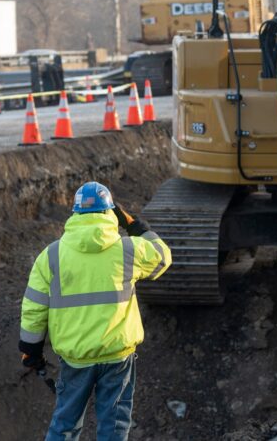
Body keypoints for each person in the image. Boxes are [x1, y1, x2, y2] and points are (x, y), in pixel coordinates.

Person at [18, 181, 172, 441]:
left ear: (75, 213)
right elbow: (163, 255)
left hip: (76, 358)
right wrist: (134, 224)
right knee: (113, 428)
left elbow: (34, 308)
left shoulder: (52, 255)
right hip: (117, 357)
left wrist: (31, 351)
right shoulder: (128, 249)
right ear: (110, 212)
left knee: (65, 426)